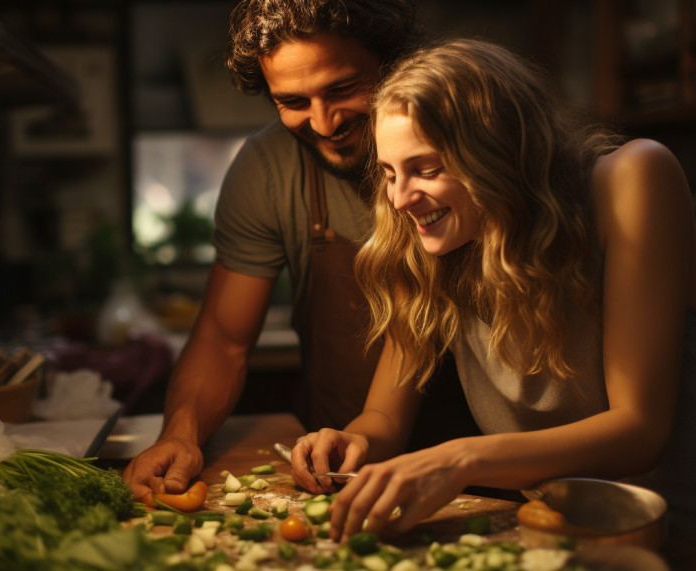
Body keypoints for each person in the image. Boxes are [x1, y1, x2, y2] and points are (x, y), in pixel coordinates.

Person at [290, 39, 696, 571]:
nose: (400, 200)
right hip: (579, 545)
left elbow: (639, 431)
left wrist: (458, 459)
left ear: (495, 154)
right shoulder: (427, 246)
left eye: (425, 169)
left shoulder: (632, 178)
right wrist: (351, 441)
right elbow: (385, 416)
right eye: (388, 172)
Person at [122, 0, 479, 503]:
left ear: (392, 63)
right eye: (293, 101)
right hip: (344, 473)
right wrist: (179, 435)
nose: (325, 122)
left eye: (342, 89)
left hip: (493, 473)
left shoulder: (470, 159)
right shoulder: (269, 171)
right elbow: (223, 339)